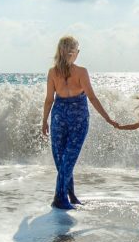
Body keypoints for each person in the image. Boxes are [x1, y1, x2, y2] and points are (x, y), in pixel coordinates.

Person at [41, 35, 117, 210]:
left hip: (59, 116)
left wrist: (44, 120)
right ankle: (60, 198)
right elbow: (91, 97)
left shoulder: (53, 72)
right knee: (66, 159)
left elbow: (48, 100)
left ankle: (70, 195)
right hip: (77, 118)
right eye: (76, 50)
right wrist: (108, 118)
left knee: (64, 159)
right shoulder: (81, 72)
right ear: (74, 52)